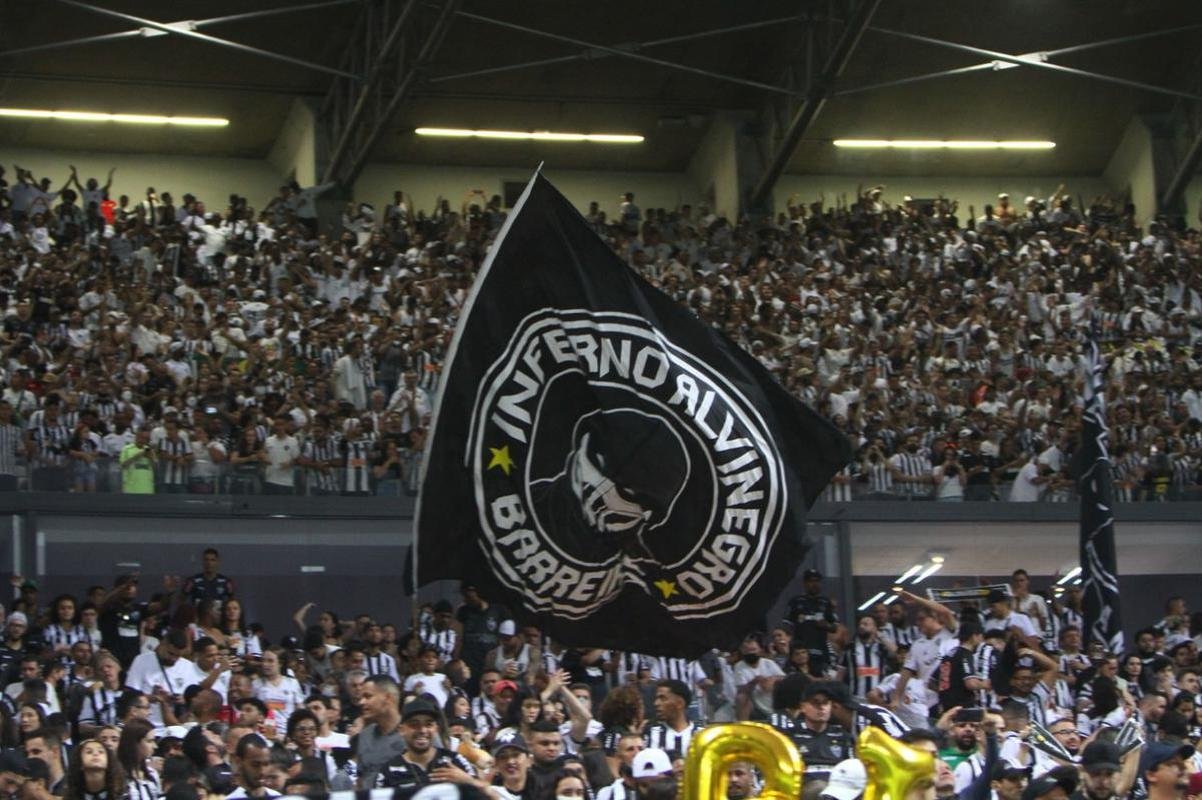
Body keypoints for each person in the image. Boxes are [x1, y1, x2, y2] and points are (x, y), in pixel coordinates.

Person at [352, 676, 405, 788]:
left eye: (368, 696)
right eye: (361, 698)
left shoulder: (415, 732)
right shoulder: (365, 735)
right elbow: (360, 778)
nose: (361, 702)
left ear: (388, 698)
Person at [226, 734, 278, 800]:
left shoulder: (279, 797)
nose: (262, 771)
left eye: (266, 764)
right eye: (255, 765)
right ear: (238, 762)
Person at [118, 430, 156, 495]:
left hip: (147, 489)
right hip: (131, 489)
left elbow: (155, 467)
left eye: (146, 439)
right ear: (136, 437)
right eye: (141, 437)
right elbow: (122, 465)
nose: (142, 440)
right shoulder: (126, 449)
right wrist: (138, 456)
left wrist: (150, 458)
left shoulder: (149, 451)